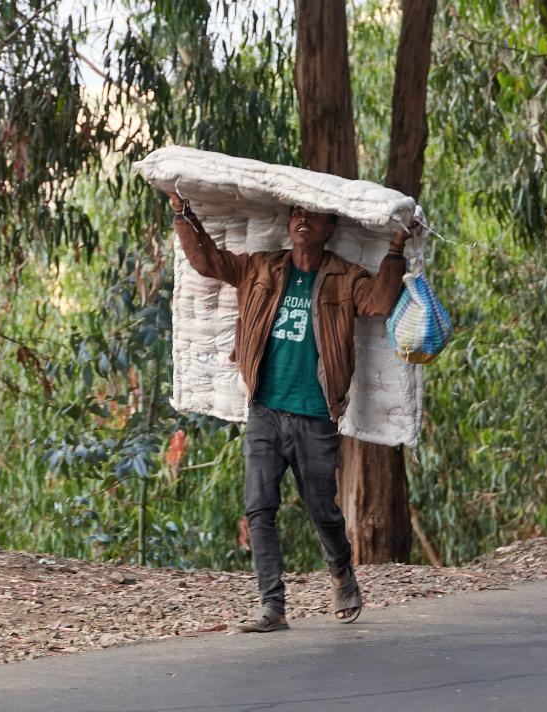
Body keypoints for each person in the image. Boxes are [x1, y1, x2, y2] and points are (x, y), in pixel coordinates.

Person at [167, 191, 417, 632]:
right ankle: (272, 606)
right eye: (297, 213)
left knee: (322, 508)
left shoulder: (344, 277)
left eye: (314, 216)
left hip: (315, 415)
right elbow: (208, 262)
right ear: (289, 223)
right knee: (259, 508)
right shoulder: (261, 268)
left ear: (329, 229)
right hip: (264, 409)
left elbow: (379, 301)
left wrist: (396, 250)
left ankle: (341, 573)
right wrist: (181, 212)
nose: (303, 220)